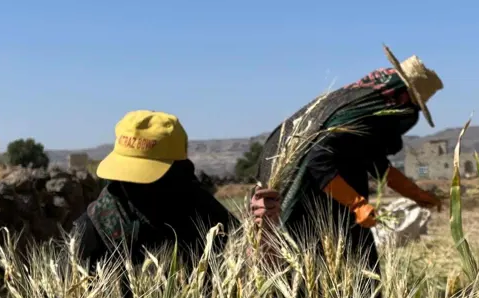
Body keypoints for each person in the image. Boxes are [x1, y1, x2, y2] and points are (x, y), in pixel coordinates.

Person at [249, 47, 445, 272]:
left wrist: (418, 195)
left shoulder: (363, 111)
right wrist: (357, 204)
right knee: (327, 271)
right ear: (400, 97)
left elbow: (376, 163)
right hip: (314, 203)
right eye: (412, 106)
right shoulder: (356, 115)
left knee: (353, 274)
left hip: (336, 204)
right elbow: (317, 159)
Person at [71, 110, 237, 270]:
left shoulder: (212, 218)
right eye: (125, 173)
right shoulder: (92, 229)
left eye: (141, 175)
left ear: (178, 171)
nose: (129, 184)